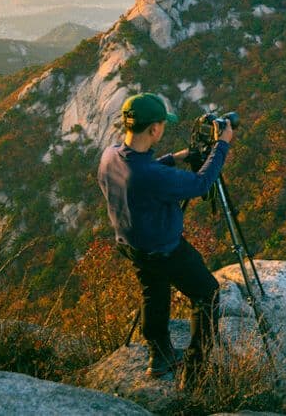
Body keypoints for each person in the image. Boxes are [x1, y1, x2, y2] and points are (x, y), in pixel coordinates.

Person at [98, 92, 233, 387]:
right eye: (162, 124)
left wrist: (177, 157)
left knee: (153, 290)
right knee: (206, 293)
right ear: (155, 129)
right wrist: (222, 144)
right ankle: (196, 374)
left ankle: (159, 357)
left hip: (131, 245)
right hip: (165, 249)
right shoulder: (151, 176)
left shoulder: (109, 157)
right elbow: (200, 183)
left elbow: (144, 170)